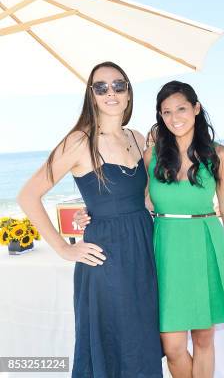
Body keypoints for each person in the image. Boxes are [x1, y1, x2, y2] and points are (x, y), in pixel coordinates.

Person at [17, 61, 163, 377]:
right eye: (101, 87)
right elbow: (28, 195)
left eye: (118, 85)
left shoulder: (137, 138)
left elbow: (147, 199)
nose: (111, 92)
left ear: (128, 93)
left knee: (143, 340)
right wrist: (63, 248)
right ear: (92, 95)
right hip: (106, 259)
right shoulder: (79, 141)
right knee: (113, 343)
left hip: (144, 250)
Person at [146, 81, 224, 378]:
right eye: (166, 112)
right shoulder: (151, 156)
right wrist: (89, 212)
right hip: (165, 248)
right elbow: (133, 199)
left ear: (196, 108)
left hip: (205, 243)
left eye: (180, 108)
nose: (174, 117)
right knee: (173, 346)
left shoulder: (220, 155)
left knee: (203, 339)